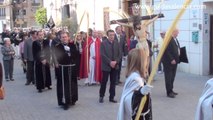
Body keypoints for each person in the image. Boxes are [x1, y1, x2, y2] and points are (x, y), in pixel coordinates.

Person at [117, 49, 153, 120]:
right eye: (145, 60)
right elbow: (128, 101)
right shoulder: (136, 79)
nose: (147, 62)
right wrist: (139, 94)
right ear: (140, 62)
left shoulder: (135, 76)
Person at [54, 31, 78, 110]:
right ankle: (65, 102)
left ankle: (72, 99)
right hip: (63, 68)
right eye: (62, 37)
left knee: (72, 84)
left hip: (72, 67)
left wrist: (70, 52)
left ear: (68, 37)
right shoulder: (58, 47)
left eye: (65, 37)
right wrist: (66, 52)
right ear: (60, 38)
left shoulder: (72, 45)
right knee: (64, 86)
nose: (64, 38)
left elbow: (76, 56)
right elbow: (58, 58)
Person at [99, 29, 121, 103]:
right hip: (106, 66)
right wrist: (110, 62)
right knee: (104, 81)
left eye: (113, 35)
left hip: (115, 66)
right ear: (107, 36)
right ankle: (101, 96)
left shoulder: (117, 43)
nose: (112, 36)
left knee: (113, 82)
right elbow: (102, 55)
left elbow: (119, 54)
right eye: (110, 35)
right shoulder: (103, 43)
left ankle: (112, 97)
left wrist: (116, 62)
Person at [162, 28, 180, 98]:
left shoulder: (175, 39)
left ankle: (171, 90)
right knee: (168, 77)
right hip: (168, 62)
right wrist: (171, 59)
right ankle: (169, 92)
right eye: (177, 32)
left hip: (175, 61)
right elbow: (166, 50)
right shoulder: (168, 39)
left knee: (172, 76)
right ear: (173, 32)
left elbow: (176, 48)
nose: (178, 34)